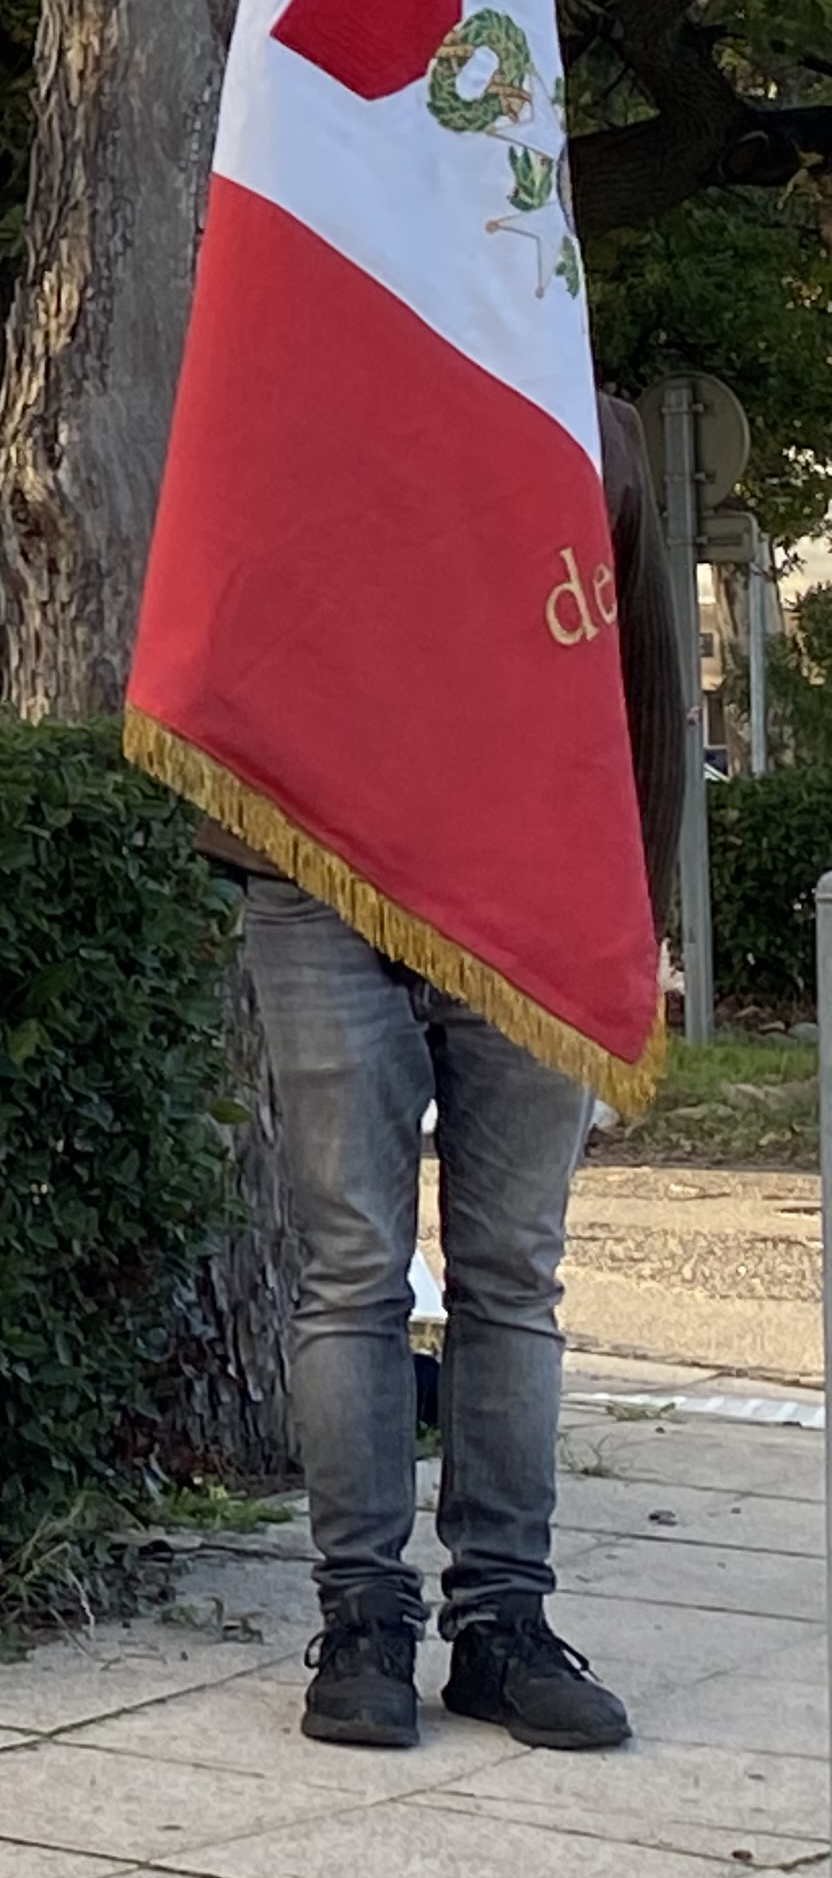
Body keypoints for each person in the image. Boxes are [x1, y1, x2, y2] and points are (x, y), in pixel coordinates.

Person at [242, 393, 684, 1753]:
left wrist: (636, 922)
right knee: (352, 1268)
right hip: (319, 875)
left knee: (514, 1273)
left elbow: (647, 692)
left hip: (533, 881)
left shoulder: (588, 427)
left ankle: (504, 1623)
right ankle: (363, 1620)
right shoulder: (295, 377)